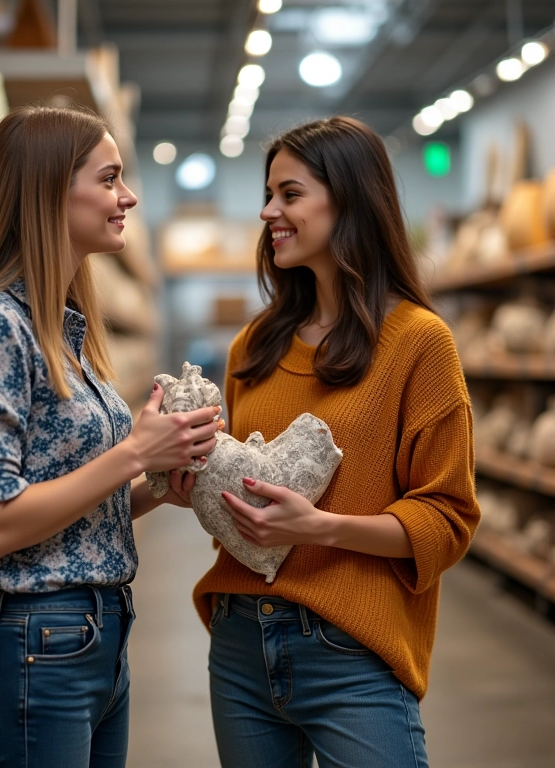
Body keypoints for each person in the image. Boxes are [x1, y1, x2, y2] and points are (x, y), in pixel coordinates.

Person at [0, 105, 221, 768]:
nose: (127, 197)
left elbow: (64, 515)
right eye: (109, 179)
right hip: (36, 645)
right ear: (50, 192)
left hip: (93, 639)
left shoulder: (61, 331)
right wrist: (134, 453)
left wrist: (157, 486)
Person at [192, 116, 480, 768]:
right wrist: (194, 484)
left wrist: (320, 528)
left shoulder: (418, 343)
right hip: (239, 643)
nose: (268, 212)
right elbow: (238, 500)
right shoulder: (253, 347)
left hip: (352, 648)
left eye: (290, 194)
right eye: (268, 194)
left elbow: (447, 519)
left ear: (349, 199)